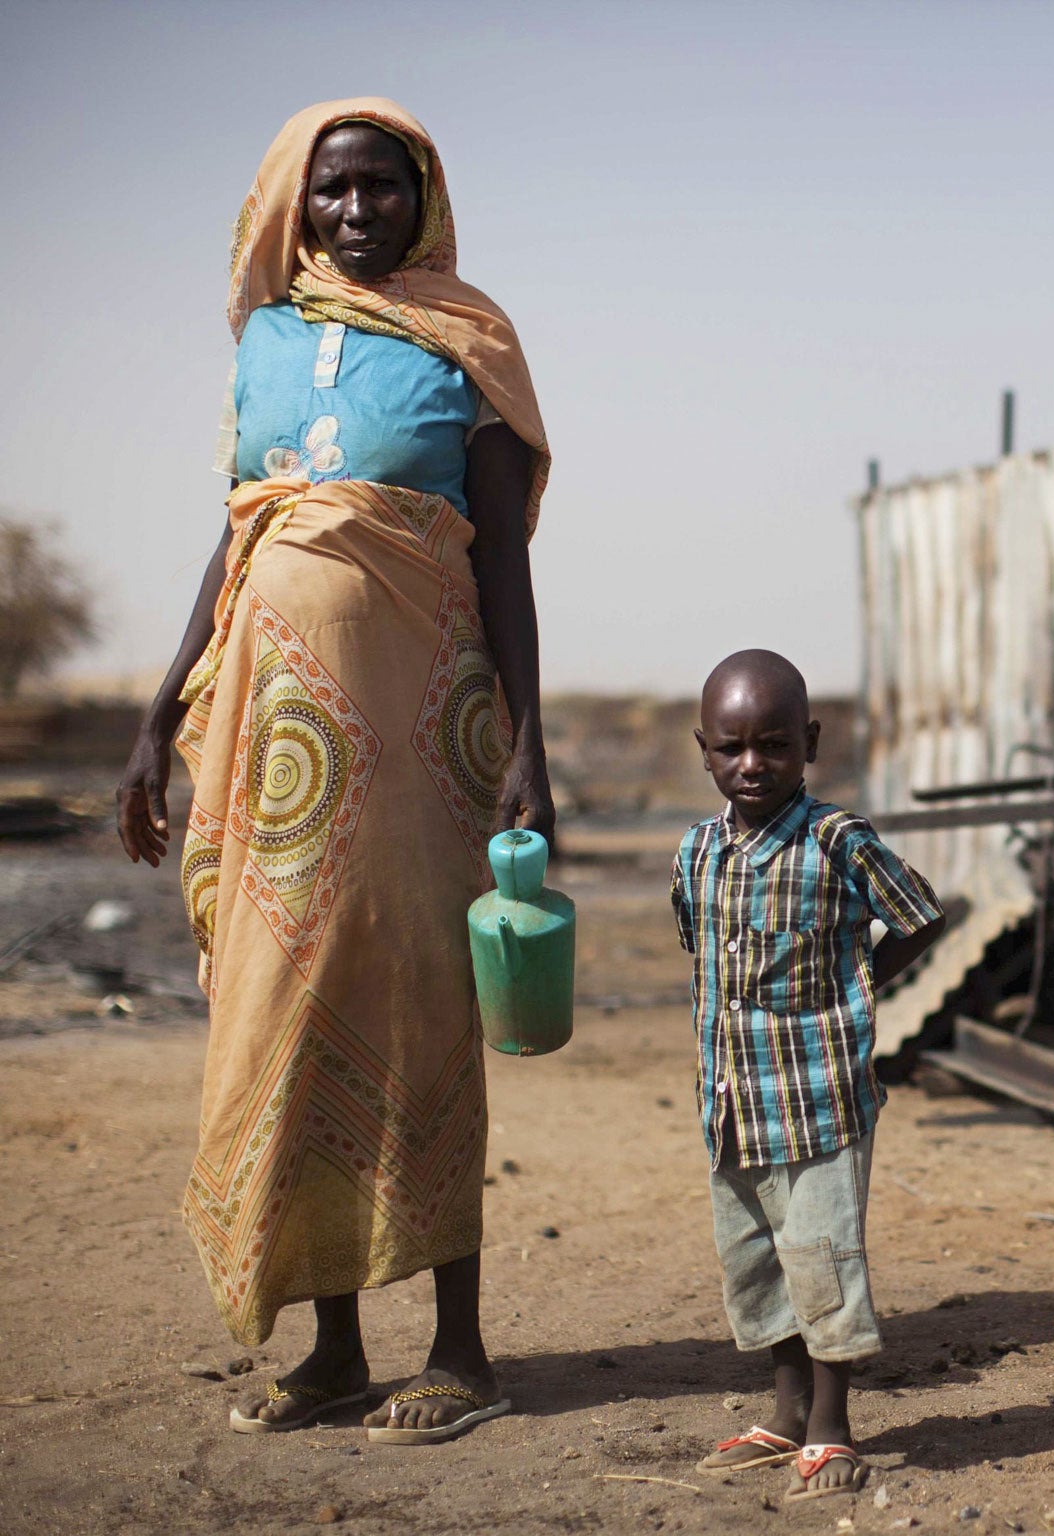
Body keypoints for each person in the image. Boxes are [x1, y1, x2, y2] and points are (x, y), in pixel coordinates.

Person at [114, 98, 553, 1445]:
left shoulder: (466, 347)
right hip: (276, 748)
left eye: (384, 188)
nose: (358, 212)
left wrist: (533, 744)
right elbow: (239, 536)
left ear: (425, 199)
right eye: (334, 190)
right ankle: (334, 1350)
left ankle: (464, 1352)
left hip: (424, 741)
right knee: (284, 1011)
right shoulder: (265, 342)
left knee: (422, 1011)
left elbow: (500, 566)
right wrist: (151, 719)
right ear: (292, 205)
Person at [670, 650, 947, 1501]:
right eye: (732, 748)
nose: (753, 765)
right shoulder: (697, 851)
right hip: (732, 1104)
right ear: (705, 751)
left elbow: (920, 916)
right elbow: (701, 948)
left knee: (822, 1256)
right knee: (755, 1260)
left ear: (810, 744)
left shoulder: (837, 841)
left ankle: (832, 1429)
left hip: (821, 1099)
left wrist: (853, 988)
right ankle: (784, 1415)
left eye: (775, 746)